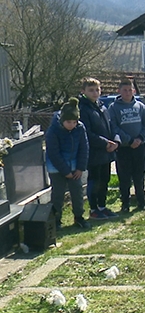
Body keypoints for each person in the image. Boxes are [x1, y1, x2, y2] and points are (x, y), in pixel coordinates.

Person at [108, 78, 145, 213]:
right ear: (119, 91)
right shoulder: (113, 108)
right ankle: (125, 204)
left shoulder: (140, 106)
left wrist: (139, 138)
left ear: (133, 90)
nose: (127, 93)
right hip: (123, 149)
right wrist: (129, 140)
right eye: (124, 90)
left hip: (140, 147)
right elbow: (113, 127)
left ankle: (141, 202)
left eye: (129, 90)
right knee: (124, 177)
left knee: (139, 176)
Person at [46, 98, 90, 230]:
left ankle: (79, 217)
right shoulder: (53, 131)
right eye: (68, 122)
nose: (71, 125)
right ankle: (56, 219)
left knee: (77, 192)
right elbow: (53, 153)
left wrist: (80, 168)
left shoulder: (80, 128)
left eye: (74, 122)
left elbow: (84, 148)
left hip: (75, 166)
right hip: (56, 168)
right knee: (58, 194)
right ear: (62, 120)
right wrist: (65, 171)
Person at [78, 77, 119, 220]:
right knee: (94, 181)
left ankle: (102, 206)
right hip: (94, 152)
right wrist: (105, 143)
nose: (95, 93)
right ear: (83, 91)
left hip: (106, 152)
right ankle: (94, 209)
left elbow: (109, 125)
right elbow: (87, 133)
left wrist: (114, 141)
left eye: (97, 90)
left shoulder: (102, 106)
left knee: (105, 179)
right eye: (91, 90)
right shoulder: (83, 109)